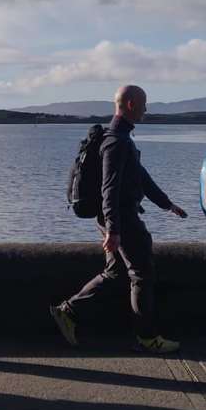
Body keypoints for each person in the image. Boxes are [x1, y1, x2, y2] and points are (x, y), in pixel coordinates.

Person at [50, 84, 188, 352]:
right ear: (131, 104)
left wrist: (167, 204)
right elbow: (109, 188)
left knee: (115, 272)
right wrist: (114, 230)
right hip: (121, 218)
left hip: (115, 217)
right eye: (144, 104)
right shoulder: (116, 141)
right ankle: (148, 338)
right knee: (142, 274)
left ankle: (67, 311)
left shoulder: (120, 138)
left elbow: (141, 177)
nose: (147, 110)